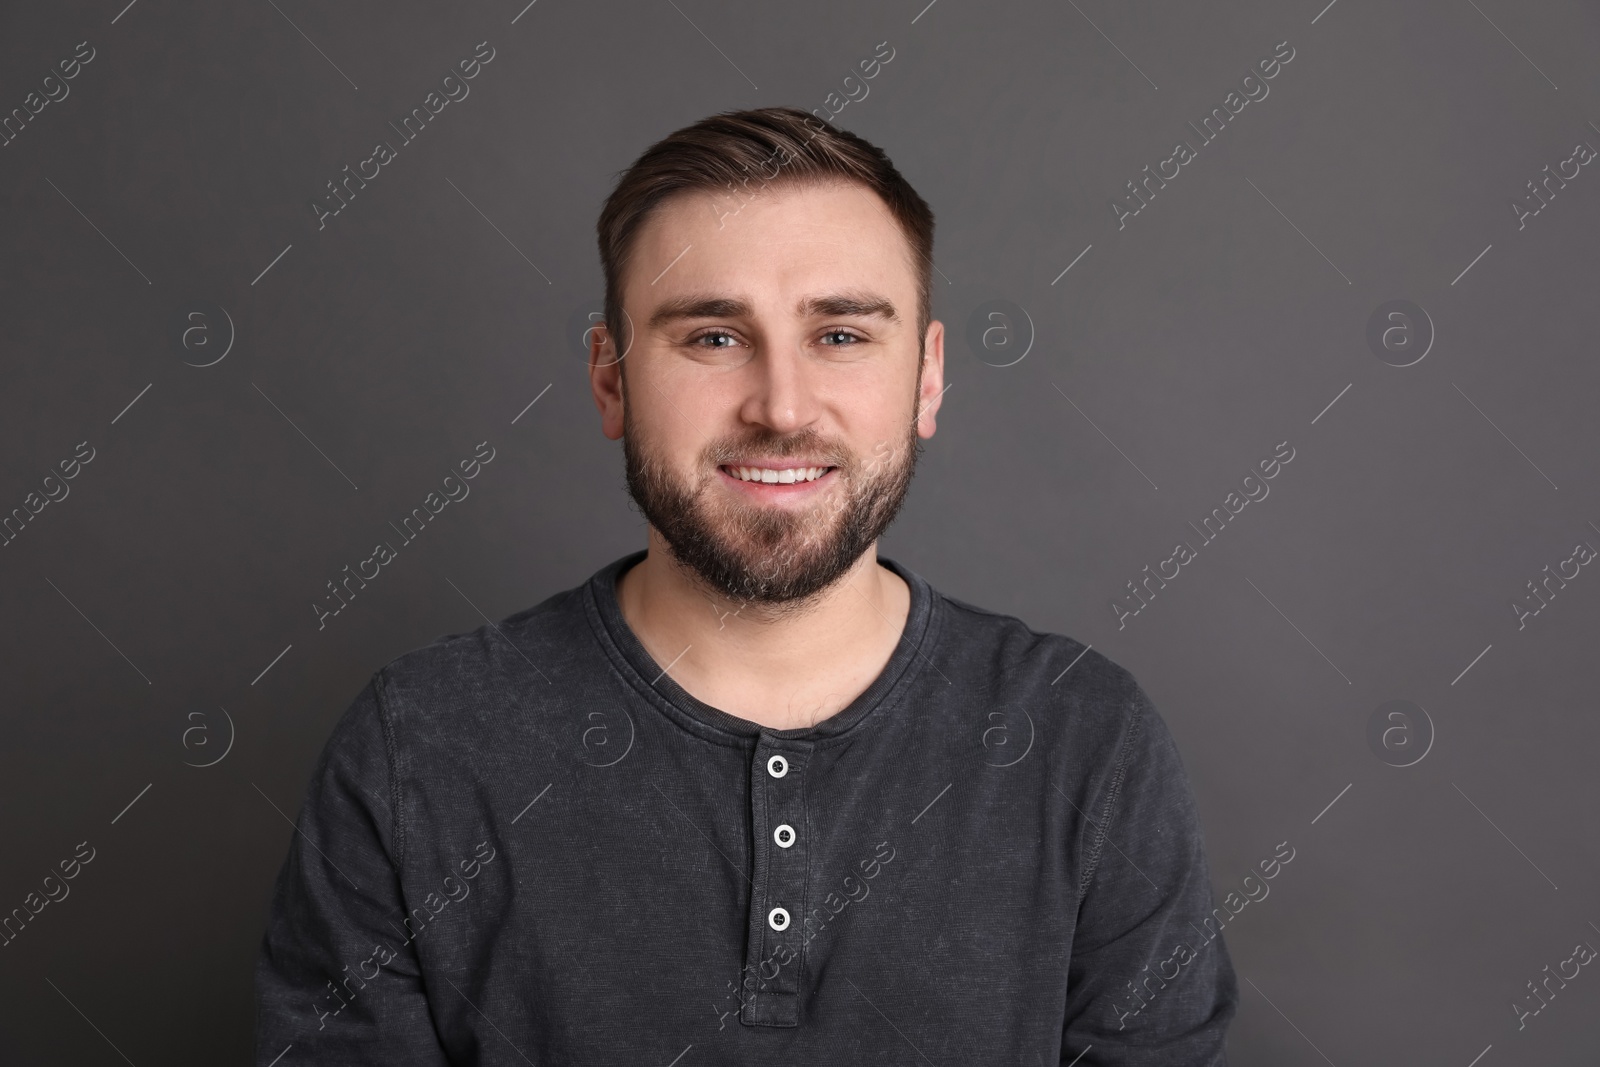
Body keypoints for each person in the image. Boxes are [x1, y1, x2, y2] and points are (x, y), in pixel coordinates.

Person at [254, 105, 1238, 1065]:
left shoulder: (1087, 742)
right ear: (611, 378)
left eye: (841, 335)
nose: (782, 405)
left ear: (927, 377)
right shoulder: (417, 746)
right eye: (713, 336)